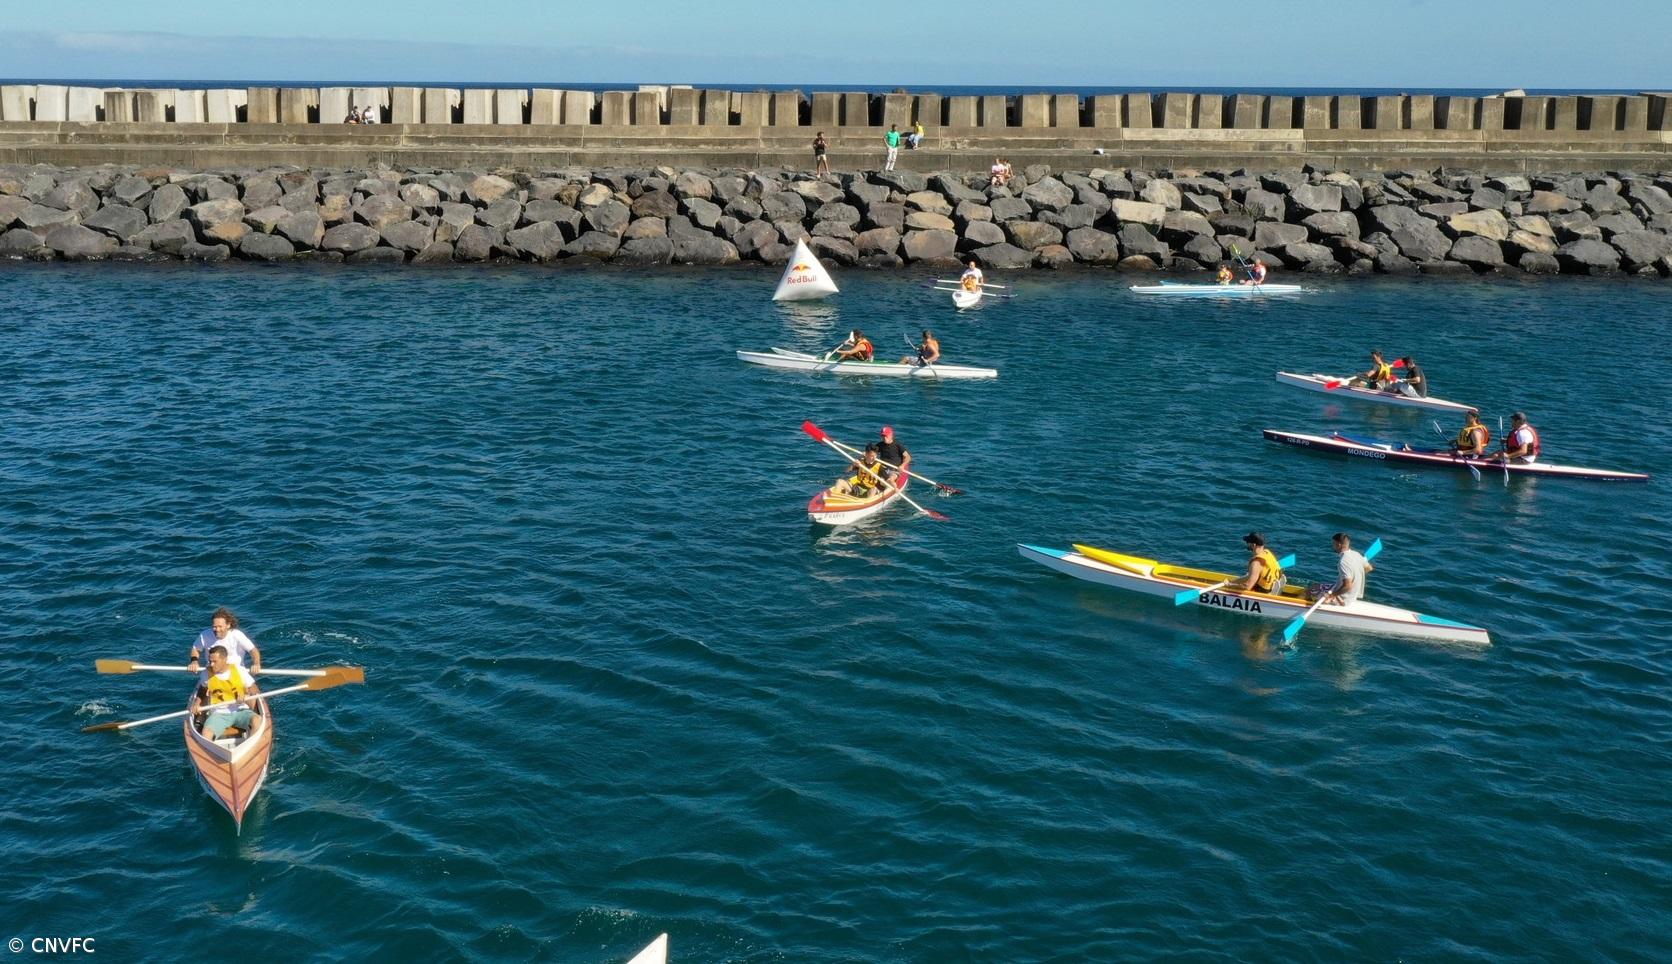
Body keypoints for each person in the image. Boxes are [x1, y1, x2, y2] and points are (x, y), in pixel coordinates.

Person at [190, 644, 261, 740]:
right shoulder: (206, 674)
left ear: (225, 660)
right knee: (206, 733)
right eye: (210, 661)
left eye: (215, 661)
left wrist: (246, 696)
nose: (211, 664)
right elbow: (202, 690)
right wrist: (196, 703)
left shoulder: (239, 671)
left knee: (257, 720)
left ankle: (252, 746)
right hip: (218, 714)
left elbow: (254, 690)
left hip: (240, 710)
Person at [188, 607, 262, 674]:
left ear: (228, 625)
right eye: (214, 627)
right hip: (212, 673)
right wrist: (194, 661)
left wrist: (256, 664)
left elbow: (253, 650)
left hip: (235, 673)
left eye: (220, 626)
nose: (217, 630)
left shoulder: (237, 635)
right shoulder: (205, 635)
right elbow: (196, 649)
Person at [1323, 532, 1373, 606]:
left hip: (1342, 599)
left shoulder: (1343, 561)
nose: (1332, 546)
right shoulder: (1357, 555)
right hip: (1353, 597)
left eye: (1333, 543)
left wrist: (1332, 595)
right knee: (1317, 586)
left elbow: (1348, 586)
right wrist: (1356, 575)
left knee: (1312, 590)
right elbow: (1369, 568)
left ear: (1338, 545)